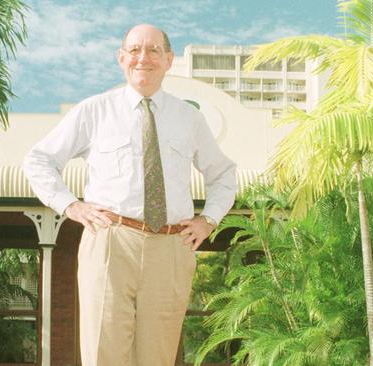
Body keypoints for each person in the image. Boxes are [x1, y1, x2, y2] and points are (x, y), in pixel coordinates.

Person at [23, 24, 237, 366]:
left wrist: (208, 220)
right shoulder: (94, 111)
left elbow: (224, 174)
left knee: (158, 357)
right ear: (121, 58)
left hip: (170, 247)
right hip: (110, 241)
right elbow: (39, 159)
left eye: (154, 50)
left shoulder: (189, 118)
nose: (144, 58)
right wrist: (71, 205)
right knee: (103, 353)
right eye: (135, 50)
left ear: (168, 60)